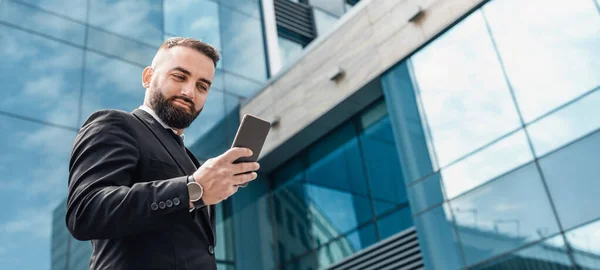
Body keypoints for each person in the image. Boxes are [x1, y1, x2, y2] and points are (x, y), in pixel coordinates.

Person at [66, 37, 259, 270]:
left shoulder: (190, 160)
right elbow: (86, 211)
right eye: (179, 77)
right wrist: (192, 189)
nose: (189, 92)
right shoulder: (116, 124)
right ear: (148, 77)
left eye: (202, 86)